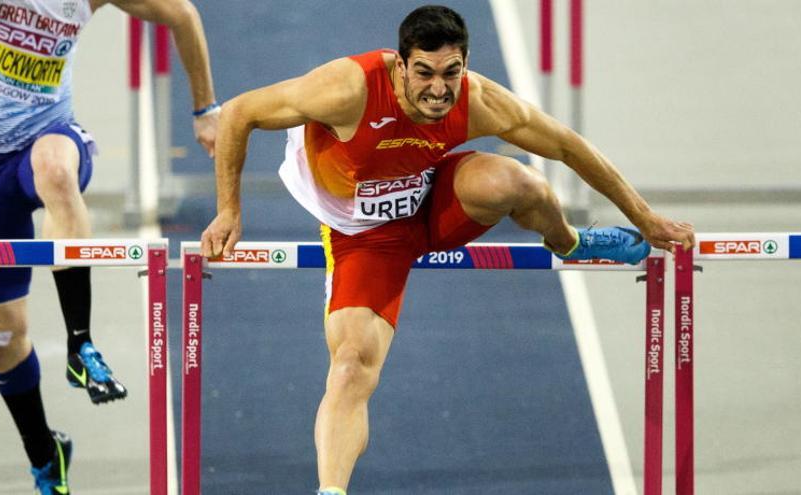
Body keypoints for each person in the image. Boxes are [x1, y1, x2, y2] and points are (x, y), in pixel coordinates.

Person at [201, 5, 695, 494]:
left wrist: (643, 217)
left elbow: (566, 146)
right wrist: (229, 210)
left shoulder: (478, 100)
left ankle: (569, 244)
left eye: (451, 73)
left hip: (432, 197)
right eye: (424, 74)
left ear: (465, 66)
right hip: (364, 237)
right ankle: (331, 491)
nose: (439, 89)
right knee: (352, 364)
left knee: (522, 182)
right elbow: (241, 112)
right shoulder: (347, 89)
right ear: (400, 65)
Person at [0, 0, 219, 493]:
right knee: (2, 339)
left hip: (50, 134)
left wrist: (206, 109)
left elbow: (183, 15)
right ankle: (45, 452)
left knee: (56, 170)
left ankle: (80, 344)